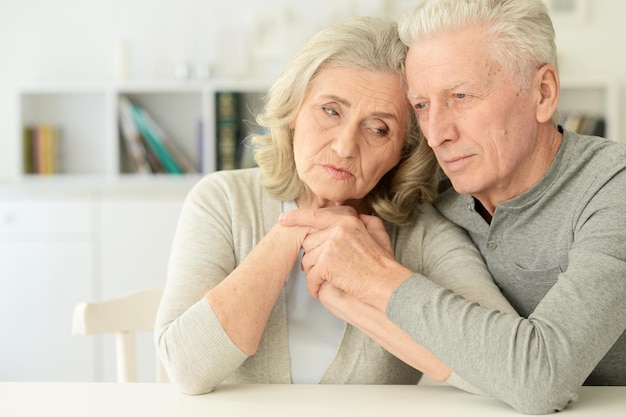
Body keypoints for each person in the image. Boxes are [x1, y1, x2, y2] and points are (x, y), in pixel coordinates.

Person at [279, 0, 626, 414]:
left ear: (543, 93)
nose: (436, 134)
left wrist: (375, 278)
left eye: (460, 96)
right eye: (422, 106)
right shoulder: (434, 186)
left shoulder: (612, 188)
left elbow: (542, 377)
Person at [154, 16, 518, 395]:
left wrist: (378, 280)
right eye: (330, 111)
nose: (345, 146)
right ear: (294, 110)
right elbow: (185, 369)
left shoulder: (423, 233)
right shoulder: (223, 201)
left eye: (378, 129)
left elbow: (513, 370)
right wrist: (290, 234)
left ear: (404, 151)